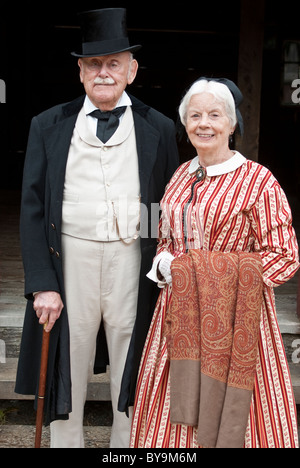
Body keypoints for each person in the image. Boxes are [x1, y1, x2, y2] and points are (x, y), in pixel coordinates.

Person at [15, 8, 179, 448]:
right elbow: (32, 208)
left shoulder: (160, 127)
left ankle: (126, 449)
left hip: (132, 258)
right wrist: (42, 283)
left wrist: (156, 254)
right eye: (93, 64)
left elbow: (165, 201)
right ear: (80, 71)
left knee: (134, 358)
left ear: (132, 70)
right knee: (69, 359)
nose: (103, 73)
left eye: (114, 63)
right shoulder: (48, 125)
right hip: (70, 256)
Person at [130, 78, 300, 448]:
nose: (203, 123)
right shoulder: (180, 175)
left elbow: (285, 256)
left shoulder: (259, 181)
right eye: (194, 115)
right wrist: (164, 264)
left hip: (239, 319)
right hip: (180, 316)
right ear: (185, 123)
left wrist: (215, 275)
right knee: (167, 415)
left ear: (232, 123)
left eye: (214, 114)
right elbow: (166, 238)